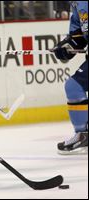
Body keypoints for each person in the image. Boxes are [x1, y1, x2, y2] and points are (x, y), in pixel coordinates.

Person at [52, 1, 88, 155]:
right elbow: (79, 36)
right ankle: (83, 135)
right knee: (74, 87)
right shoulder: (76, 4)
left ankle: (84, 136)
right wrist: (66, 48)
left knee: (74, 87)